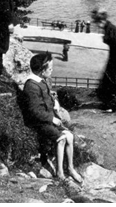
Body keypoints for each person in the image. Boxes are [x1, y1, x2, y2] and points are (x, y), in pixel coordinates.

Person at [16, 52, 83, 184]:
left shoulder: (41, 82)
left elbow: (47, 97)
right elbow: (34, 111)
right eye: (50, 69)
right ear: (42, 71)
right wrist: (52, 119)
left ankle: (70, 167)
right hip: (38, 122)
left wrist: (55, 102)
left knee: (70, 136)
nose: (52, 71)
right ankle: (59, 173)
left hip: (45, 118)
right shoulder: (31, 86)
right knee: (62, 138)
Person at [91, 8, 116, 103]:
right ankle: (110, 101)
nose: (97, 25)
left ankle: (112, 102)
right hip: (114, 57)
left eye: (97, 22)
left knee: (112, 81)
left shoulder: (110, 29)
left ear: (101, 21)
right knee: (109, 80)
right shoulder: (107, 28)